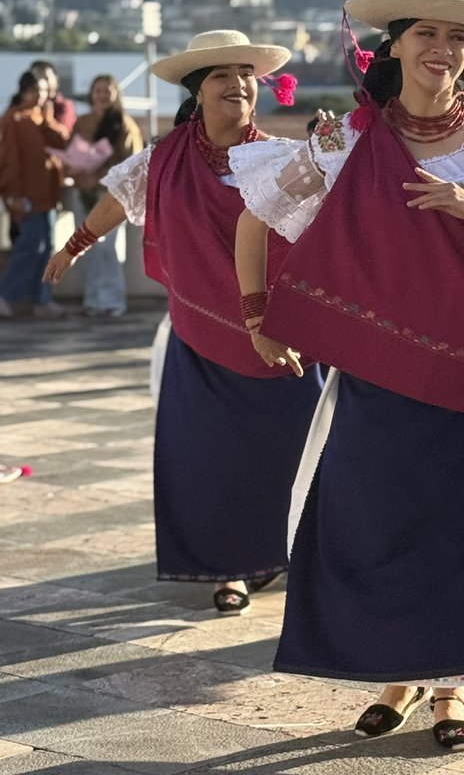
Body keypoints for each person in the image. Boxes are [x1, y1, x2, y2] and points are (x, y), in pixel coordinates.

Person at [230, 0, 464, 751]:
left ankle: (452, 687)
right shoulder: (345, 141)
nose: (443, 48)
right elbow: (256, 215)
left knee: (463, 532)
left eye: (457, 37)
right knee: (381, 526)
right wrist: (258, 315)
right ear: (393, 47)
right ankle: (400, 675)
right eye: (426, 33)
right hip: (378, 373)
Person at [43, 30, 323, 614]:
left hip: (282, 339)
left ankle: (294, 556)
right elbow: (119, 199)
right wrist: (74, 245)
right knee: (211, 461)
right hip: (202, 340)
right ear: (198, 90)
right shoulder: (164, 158)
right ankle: (230, 570)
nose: (237, 84)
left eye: (245, 74)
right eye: (221, 75)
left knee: (294, 455)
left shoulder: (280, 158)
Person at [69, 74, 144, 317]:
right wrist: (79, 172)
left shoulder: (124, 124)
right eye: (98, 90)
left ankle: (113, 301)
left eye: (107, 90)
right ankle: (93, 301)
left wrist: (101, 175)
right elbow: (71, 153)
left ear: (116, 94)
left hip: (111, 196)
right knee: (85, 248)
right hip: (84, 193)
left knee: (108, 249)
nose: (102, 95)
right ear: (91, 94)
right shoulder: (82, 122)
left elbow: (132, 164)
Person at [0, 70, 70, 320]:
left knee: (47, 248)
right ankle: (6, 295)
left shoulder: (42, 116)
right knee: (31, 245)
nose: (42, 96)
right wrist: (13, 194)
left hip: (48, 194)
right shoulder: (13, 119)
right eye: (37, 91)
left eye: (44, 91)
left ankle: (42, 299)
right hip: (27, 196)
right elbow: (9, 160)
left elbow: (62, 142)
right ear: (25, 92)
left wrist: (48, 119)